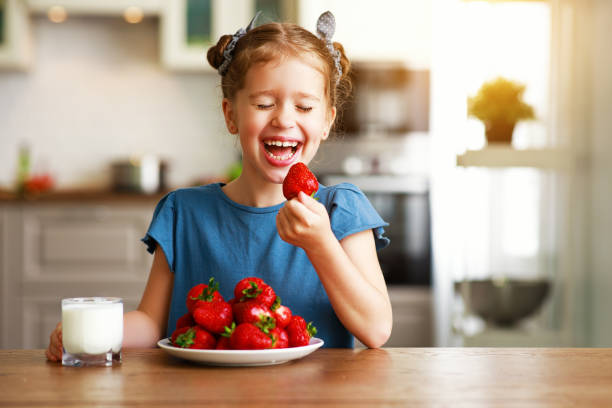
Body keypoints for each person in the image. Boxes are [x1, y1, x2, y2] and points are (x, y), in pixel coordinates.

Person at [46, 11, 392, 361]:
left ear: (326, 122)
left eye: (304, 106)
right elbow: (152, 323)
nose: (284, 118)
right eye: (263, 104)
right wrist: (89, 331)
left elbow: (376, 330)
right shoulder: (183, 212)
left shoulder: (341, 210)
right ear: (230, 115)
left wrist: (321, 244)